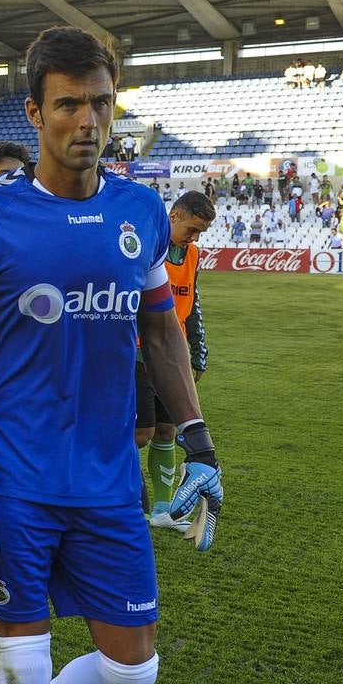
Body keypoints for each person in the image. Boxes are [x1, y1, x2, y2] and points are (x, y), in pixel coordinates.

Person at [0, 27, 224, 684]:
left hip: (108, 478)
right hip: (9, 479)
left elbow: (161, 333)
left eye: (100, 104)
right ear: (34, 112)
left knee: (134, 667)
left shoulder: (142, 213)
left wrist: (198, 439)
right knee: (21, 667)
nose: (87, 122)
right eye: (68, 106)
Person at [134, 189, 216, 535]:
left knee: (168, 430)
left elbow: (192, 305)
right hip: (137, 350)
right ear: (174, 217)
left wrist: (197, 351)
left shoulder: (193, 255)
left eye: (201, 233)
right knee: (140, 434)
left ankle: (162, 509)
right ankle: (129, 503)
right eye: (192, 229)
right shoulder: (145, 248)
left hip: (173, 353)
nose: (194, 237)